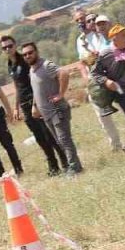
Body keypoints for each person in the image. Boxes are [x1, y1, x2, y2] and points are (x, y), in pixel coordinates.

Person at [1, 35, 67, 176]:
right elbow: (17, 87)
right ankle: (53, 165)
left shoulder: (24, 60)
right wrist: (16, 107)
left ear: (15, 45)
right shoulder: (10, 65)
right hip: (24, 105)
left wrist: (36, 104)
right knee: (39, 138)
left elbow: (35, 82)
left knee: (48, 134)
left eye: (10, 46)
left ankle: (65, 162)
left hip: (36, 102)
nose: (7, 49)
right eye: (4, 47)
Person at [21, 42, 82, 174]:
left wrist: (60, 94)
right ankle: (73, 166)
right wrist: (34, 107)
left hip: (57, 110)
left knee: (64, 140)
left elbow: (64, 73)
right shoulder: (32, 70)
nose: (28, 56)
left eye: (30, 52)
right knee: (59, 142)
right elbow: (37, 90)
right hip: (46, 113)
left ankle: (75, 168)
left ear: (36, 52)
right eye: (25, 54)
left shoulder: (46, 65)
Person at [74, 12, 125, 152]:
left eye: (83, 19)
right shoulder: (80, 40)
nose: (82, 22)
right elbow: (82, 61)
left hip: (112, 76)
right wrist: (86, 77)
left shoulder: (101, 34)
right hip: (96, 80)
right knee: (103, 116)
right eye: (77, 20)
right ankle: (116, 145)